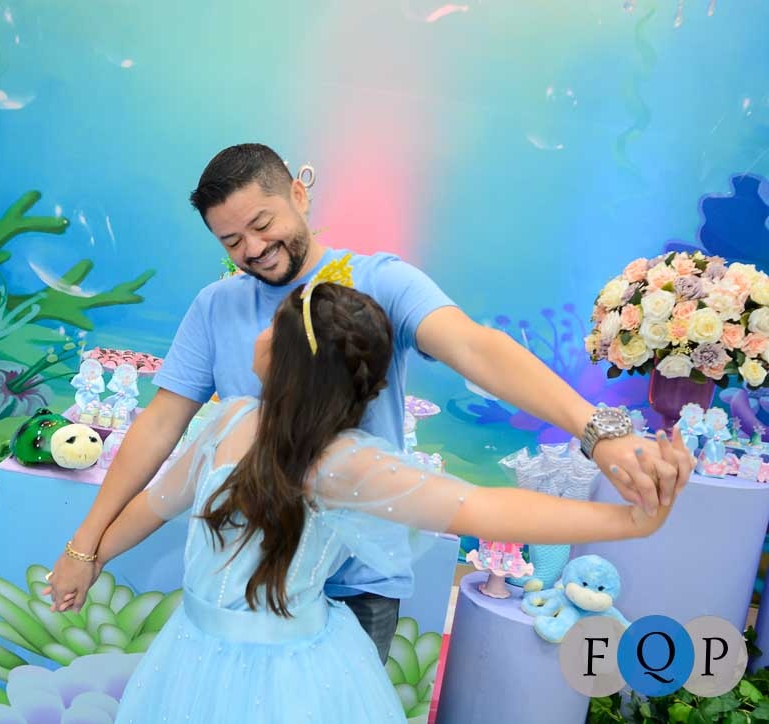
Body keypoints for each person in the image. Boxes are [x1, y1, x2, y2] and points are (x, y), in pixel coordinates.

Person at [45, 143, 692, 662]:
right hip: (246, 582)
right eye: (230, 241)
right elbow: (161, 428)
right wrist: (85, 547)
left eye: (262, 224)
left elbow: (475, 351)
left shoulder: (379, 283)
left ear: (298, 194)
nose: (252, 250)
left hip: (357, 586)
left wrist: (598, 431)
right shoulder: (219, 320)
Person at [45, 279, 688, 723]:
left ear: (290, 359)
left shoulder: (344, 463)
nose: (259, 333)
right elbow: (156, 502)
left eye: (273, 325)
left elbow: (479, 508)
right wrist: (87, 556)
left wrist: (629, 521)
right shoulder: (228, 417)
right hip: (192, 652)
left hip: (291, 678)